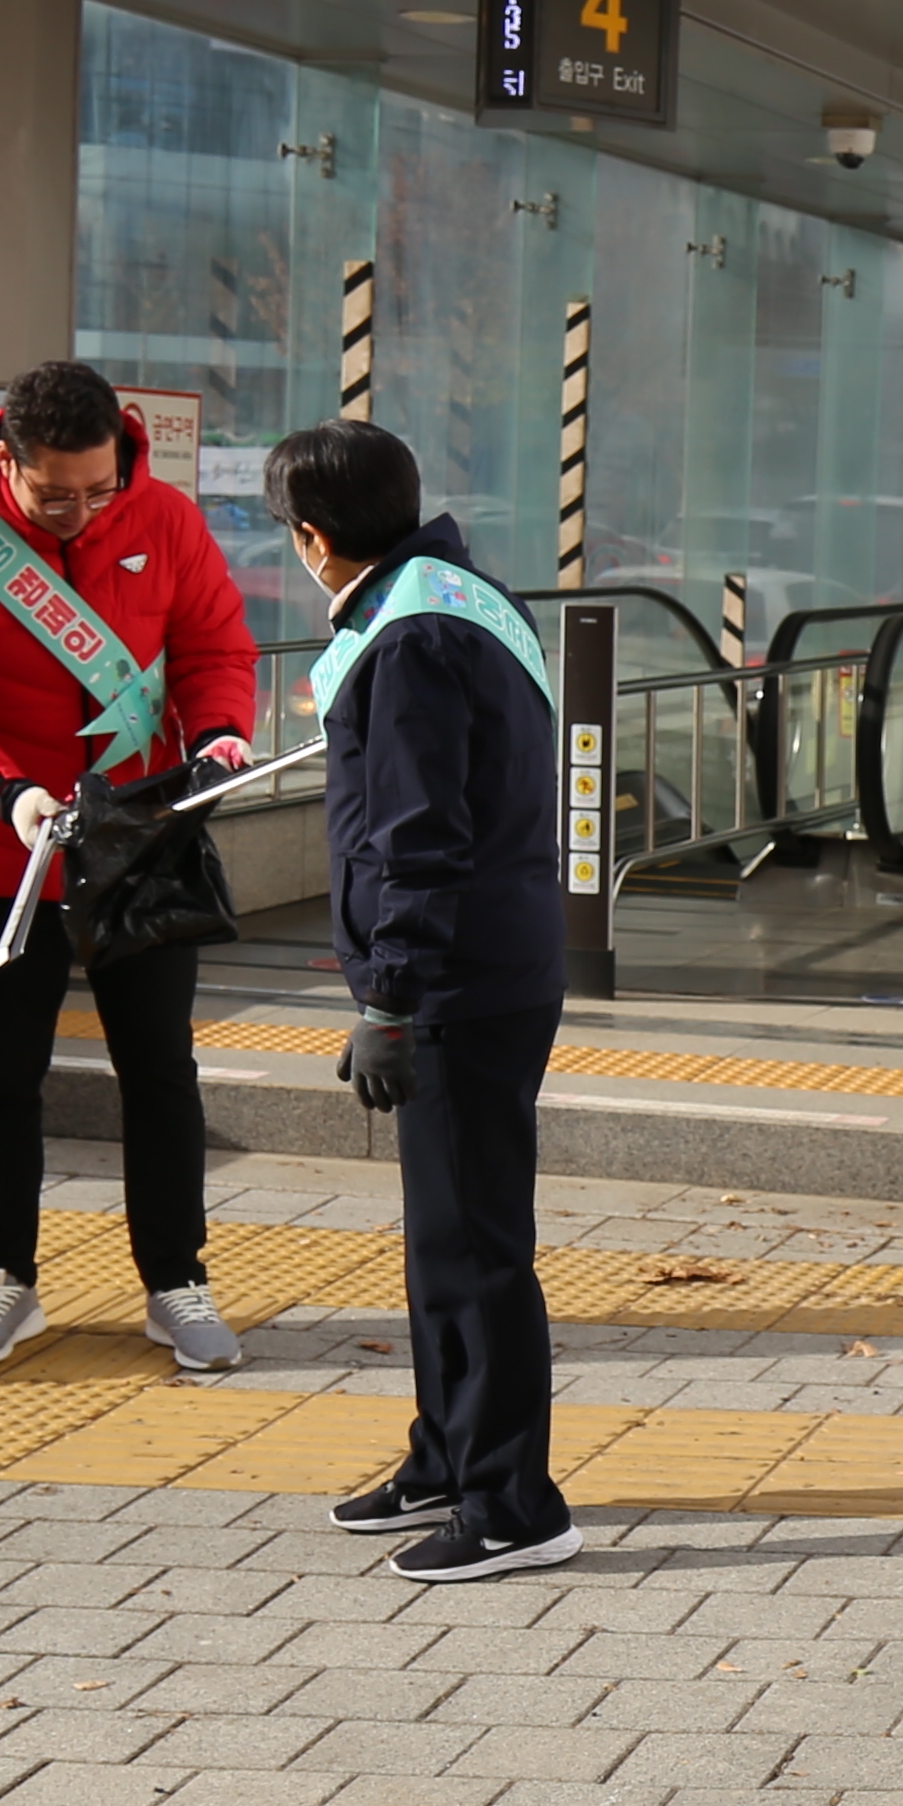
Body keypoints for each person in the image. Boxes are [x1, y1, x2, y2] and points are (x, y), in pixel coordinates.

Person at [0, 359, 262, 1378]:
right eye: (57, 495)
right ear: (8, 460)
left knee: (162, 1075)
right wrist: (5, 793)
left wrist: (219, 736)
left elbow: (217, 647)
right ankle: (4, 1278)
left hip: (139, 843)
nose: (83, 511)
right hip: (3, 853)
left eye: (100, 489)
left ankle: (176, 1282)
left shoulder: (165, 518)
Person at [284, 419, 585, 1586]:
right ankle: (447, 1456)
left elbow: (417, 837)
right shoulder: (454, 590)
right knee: (443, 1242)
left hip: (460, 978)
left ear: (314, 537)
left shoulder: (407, 637)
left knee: (475, 1250)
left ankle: (514, 1502)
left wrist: (393, 1001)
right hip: (495, 956)